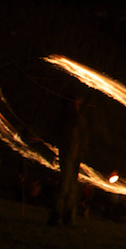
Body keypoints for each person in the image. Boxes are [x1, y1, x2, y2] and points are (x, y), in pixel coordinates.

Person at [49, 94, 88, 226]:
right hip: (67, 156)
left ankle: (68, 218)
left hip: (75, 157)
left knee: (72, 188)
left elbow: (83, 137)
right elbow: (64, 137)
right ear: (70, 103)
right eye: (76, 101)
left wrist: (81, 152)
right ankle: (56, 217)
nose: (78, 103)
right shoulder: (66, 118)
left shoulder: (78, 118)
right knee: (64, 187)